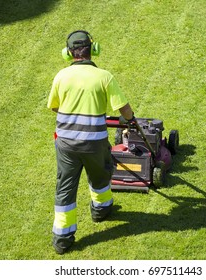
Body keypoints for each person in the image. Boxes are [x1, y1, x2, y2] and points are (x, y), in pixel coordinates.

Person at [47, 30, 134, 254]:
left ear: (68, 53)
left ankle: (62, 239)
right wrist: (130, 120)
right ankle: (101, 210)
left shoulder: (60, 76)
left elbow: (55, 106)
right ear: (93, 49)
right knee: (101, 175)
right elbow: (124, 110)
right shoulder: (104, 77)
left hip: (65, 143)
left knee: (65, 186)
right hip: (94, 143)